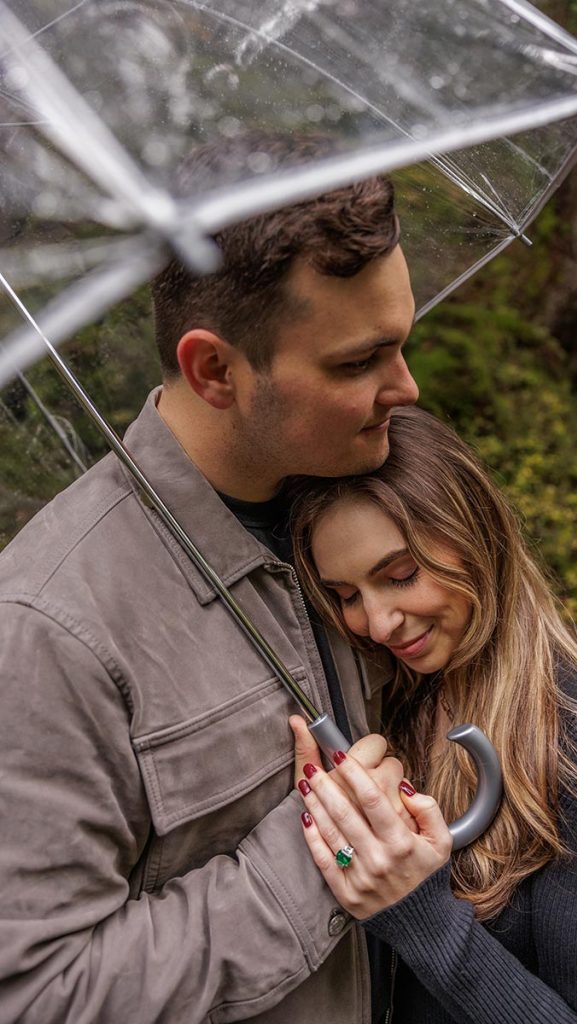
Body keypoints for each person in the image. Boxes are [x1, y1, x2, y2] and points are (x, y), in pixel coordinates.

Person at [0, 133, 420, 1023]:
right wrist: (322, 860)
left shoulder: (355, 513)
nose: (406, 387)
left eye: (400, 344)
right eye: (357, 362)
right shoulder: (50, 627)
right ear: (215, 370)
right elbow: (36, 993)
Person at [287, 404, 577, 1024]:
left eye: (402, 575)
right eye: (346, 596)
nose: (377, 623)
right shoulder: (404, 695)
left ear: (475, 533)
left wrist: (420, 915)